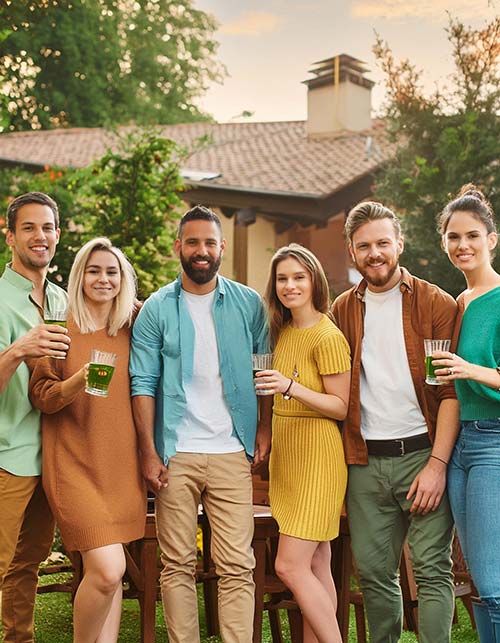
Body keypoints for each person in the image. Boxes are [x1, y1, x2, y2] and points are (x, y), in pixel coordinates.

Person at [129, 205, 271, 643]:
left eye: (210, 242)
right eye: (192, 242)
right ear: (179, 247)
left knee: (237, 565)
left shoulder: (249, 304)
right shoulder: (156, 308)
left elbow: (263, 371)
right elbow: (143, 382)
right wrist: (149, 452)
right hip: (176, 452)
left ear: (222, 247)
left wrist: (263, 430)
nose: (202, 250)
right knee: (177, 564)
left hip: (232, 450)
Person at [331, 201, 459, 643]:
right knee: (373, 572)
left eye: (383, 243)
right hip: (365, 460)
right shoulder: (342, 310)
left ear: (399, 244)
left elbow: (450, 393)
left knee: (431, 570)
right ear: (351, 251)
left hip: (422, 453)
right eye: (364, 246)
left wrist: (438, 465)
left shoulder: (435, 302)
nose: (375, 253)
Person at [29, 237, 146, 643]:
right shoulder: (59, 332)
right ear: (80, 277)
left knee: (106, 578)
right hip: (73, 465)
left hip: (121, 471)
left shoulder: (135, 327)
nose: (103, 279)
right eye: (94, 271)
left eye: (111, 271)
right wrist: (78, 381)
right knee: (109, 568)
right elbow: (41, 396)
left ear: (122, 279)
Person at [254, 244, 350, 643]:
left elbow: (340, 407)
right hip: (288, 459)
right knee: (317, 565)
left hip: (318, 458)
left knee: (289, 566)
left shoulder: (327, 335)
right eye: (282, 279)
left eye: (298, 277)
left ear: (314, 281)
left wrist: (291, 387)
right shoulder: (283, 332)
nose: (290, 286)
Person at [0, 192, 69, 643]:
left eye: (46, 228)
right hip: (8, 456)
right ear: (10, 237)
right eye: (28, 228)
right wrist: (18, 349)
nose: (39, 236)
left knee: (28, 563)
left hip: (56, 458)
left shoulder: (65, 299)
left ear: (58, 236)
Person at [432, 184, 500, 641]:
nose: (463, 246)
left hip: (493, 442)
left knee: (493, 581)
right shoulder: (459, 303)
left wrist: (470, 368)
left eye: (472, 235)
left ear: (492, 238)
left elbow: (476, 373)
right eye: (454, 237)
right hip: (459, 447)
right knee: (477, 574)